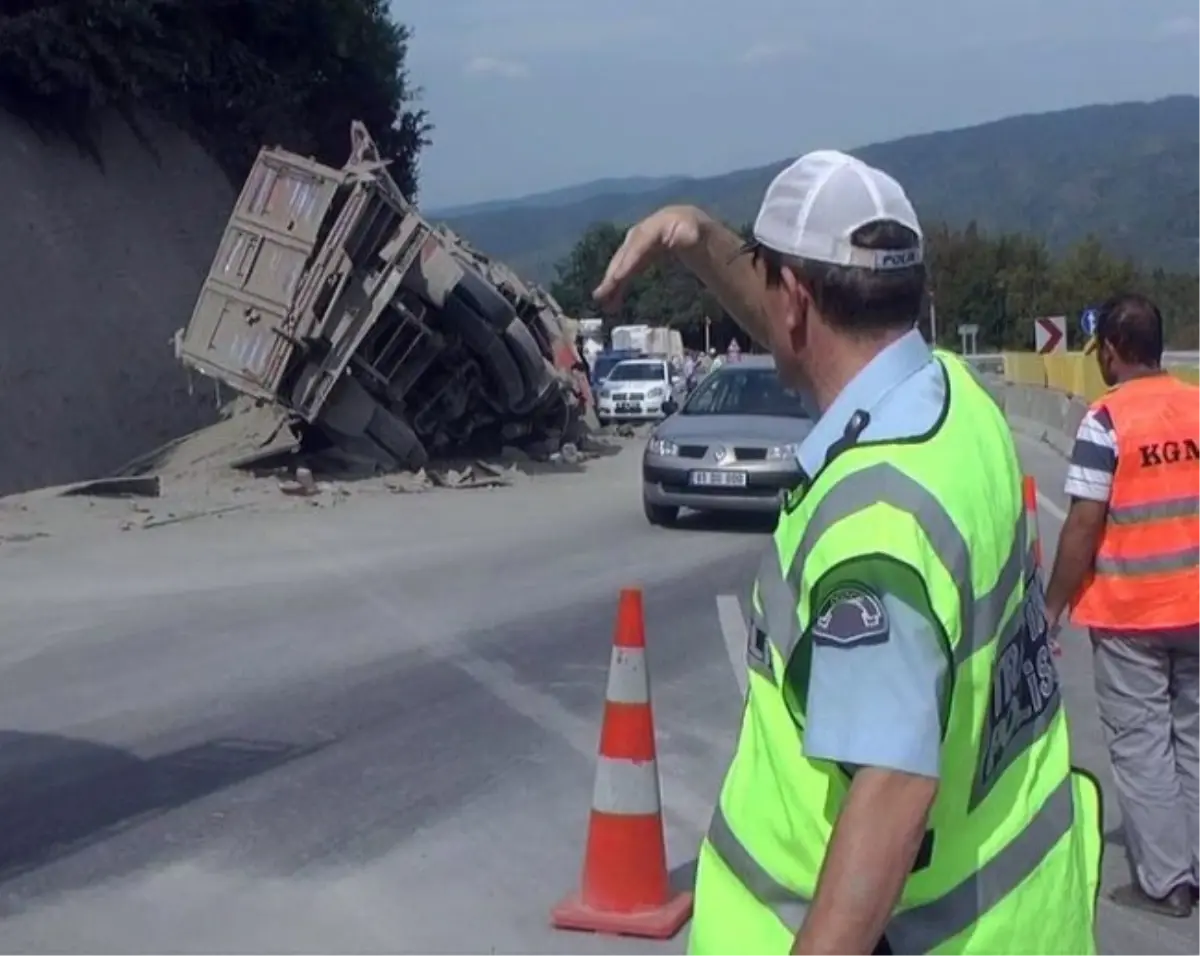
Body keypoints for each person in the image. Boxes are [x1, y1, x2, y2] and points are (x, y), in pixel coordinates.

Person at [594, 150, 1102, 955]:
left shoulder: (876, 525)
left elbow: (894, 791)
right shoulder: (955, 403)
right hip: (1022, 919)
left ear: (794, 299)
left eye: (767, 278)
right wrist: (700, 240)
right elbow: (807, 333)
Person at [1044, 292, 1200, 918]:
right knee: (1192, 739)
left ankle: (1167, 883)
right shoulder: (1196, 405)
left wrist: (1053, 603)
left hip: (1132, 613)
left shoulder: (1105, 421)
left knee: (1142, 745)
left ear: (1109, 351)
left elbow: (1083, 522)